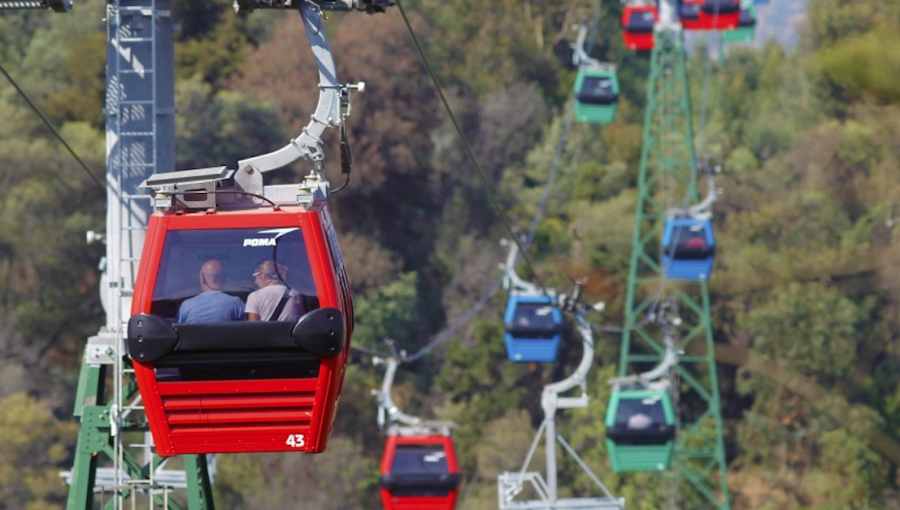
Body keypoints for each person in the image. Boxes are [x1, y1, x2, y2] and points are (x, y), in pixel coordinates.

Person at [176, 259, 245, 323]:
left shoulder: (186, 306)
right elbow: (246, 331)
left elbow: (177, 331)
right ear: (224, 277)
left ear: (202, 278)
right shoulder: (236, 304)